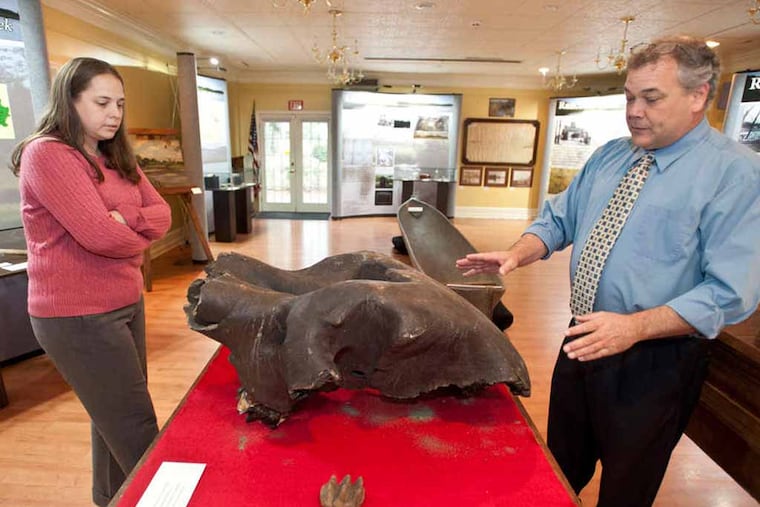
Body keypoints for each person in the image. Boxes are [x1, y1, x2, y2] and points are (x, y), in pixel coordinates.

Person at [456, 36, 760, 507]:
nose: (634, 111)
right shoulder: (612, 155)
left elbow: (730, 292)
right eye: (629, 96)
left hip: (656, 359)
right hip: (583, 338)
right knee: (558, 467)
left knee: (626, 488)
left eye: (651, 98)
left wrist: (634, 327)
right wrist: (518, 253)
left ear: (698, 95)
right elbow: (560, 218)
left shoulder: (736, 174)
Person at [10, 57, 171, 506]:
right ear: (69, 100)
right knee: (135, 425)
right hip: (77, 315)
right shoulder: (48, 153)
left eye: (119, 103)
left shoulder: (114, 154)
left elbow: (162, 214)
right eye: (102, 102)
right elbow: (99, 235)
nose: (114, 113)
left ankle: (112, 499)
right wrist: (133, 239)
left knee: (112, 420)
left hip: (124, 301)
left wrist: (129, 220)